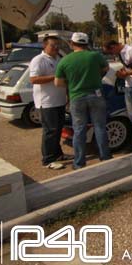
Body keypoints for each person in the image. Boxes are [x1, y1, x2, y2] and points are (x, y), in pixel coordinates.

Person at [54, 32, 112, 169]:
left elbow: (58, 83)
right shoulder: (95, 56)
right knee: (100, 127)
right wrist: (97, 77)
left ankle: (79, 162)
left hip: (76, 97)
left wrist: (72, 84)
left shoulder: (65, 60)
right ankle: (105, 157)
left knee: (79, 130)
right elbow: (106, 68)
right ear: (86, 44)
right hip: (96, 95)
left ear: (72, 44)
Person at [29, 36, 70, 170]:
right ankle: (48, 159)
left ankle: (58, 154)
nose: (56, 48)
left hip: (59, 100)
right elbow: (34, 79)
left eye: (58, 45)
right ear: (45, 46)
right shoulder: (39, 60)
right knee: (50, 131)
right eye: (53, 45)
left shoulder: (58, 59)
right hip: (47, 102)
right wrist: (55, 77)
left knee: (57, 129)